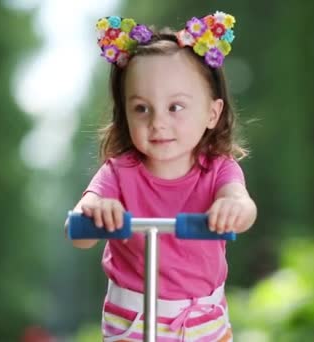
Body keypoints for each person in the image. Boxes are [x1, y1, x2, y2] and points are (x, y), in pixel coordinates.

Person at [66, 11, 257, 342]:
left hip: (202, 321)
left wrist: (233, 208)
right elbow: (79, 233)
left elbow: (241, 204)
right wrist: (95, 212)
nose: (158, 123)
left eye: (176, 107)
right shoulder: (117, 173)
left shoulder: (219, 170)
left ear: (212, 113)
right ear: (124, 114)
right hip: (132, 321)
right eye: (141, 108)